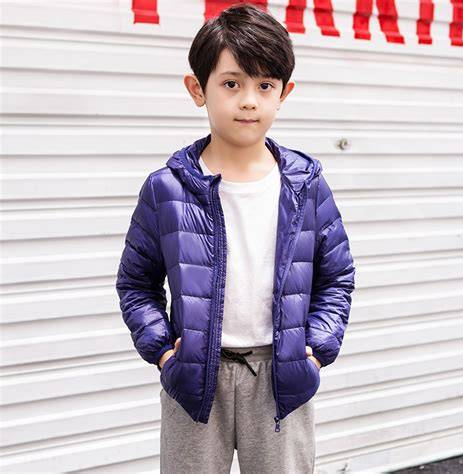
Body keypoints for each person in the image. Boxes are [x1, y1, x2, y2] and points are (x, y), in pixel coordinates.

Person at [116, 3, 356, 473]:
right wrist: (163, 352)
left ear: (284, 94)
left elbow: (337, 276)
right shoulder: (167, 189)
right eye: (231, 83)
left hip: (281, 378)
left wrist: (315, 350)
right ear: (197, 89)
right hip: (194, 377)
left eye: (264, 85)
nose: (249, 100)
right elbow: (136, 283)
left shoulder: (305, 186)